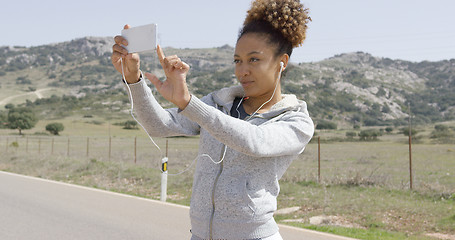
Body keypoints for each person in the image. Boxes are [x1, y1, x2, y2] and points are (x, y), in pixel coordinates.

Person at [111, 0, 314, 239]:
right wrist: (134, 79)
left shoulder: (296, 121)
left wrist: (189, 103)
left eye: (254, 59)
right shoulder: (218, 103)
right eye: (237, 60)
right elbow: (159, 126)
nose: (242, 70)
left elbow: (254, 141)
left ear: (282, 62)